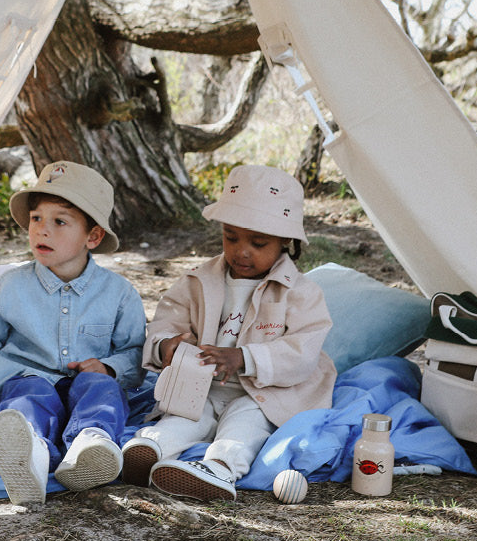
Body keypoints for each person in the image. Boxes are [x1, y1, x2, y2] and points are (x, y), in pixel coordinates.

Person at [121, 164, 336, 502]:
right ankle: (149, 450)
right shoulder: (199, 279)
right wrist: (168, 346)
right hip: (201, 385)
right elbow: (167, 319)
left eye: (259, 242)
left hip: (262, 393)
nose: (242, 251)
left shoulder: (300, 293)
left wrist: (244, 357)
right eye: (230, 237)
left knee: (245, 424)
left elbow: (302, 352)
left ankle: (219, 467)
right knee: (185, 416)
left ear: (285, 242)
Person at [0, 160, 146, 506]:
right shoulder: (9, 288)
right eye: (36, 219)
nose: (42, 230)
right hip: (29, 378)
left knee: (103, 390)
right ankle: (32, 452)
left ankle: (91, 444)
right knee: (26, 397)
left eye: (59, 221)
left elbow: (135, 350)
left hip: (88, 384)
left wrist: (109, 367)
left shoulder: (119, 293)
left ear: (93, 236)